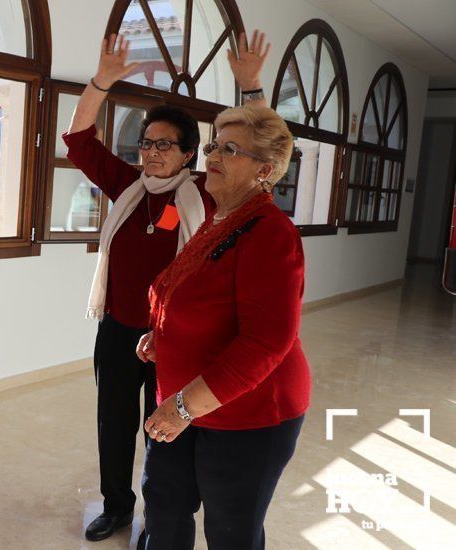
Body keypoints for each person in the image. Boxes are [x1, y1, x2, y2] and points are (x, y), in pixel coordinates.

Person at [65, 31, 270, 543]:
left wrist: (250, 88)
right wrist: (101, 82)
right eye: (146, 142)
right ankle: (116, 506)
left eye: (164, 145)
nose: (152, 152)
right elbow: (79, 140)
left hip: (176, 339)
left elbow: (257, 151)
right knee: (113, 425)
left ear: (186, 154)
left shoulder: (210, 190)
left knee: (166, 434)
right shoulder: (129, 187)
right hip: (118, 331)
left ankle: (164, 519)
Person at [136, 103, 310, 550]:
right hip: (182, 401)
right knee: (164, 510)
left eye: (230, 149)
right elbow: (199, 296)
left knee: (231, 531)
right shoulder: (221, 219)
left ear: (264, 170)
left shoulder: (270, 231)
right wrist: (163, 334)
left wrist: (183, 408)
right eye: (214, 144)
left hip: (247, 414)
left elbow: (267, 340)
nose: (212, 155)